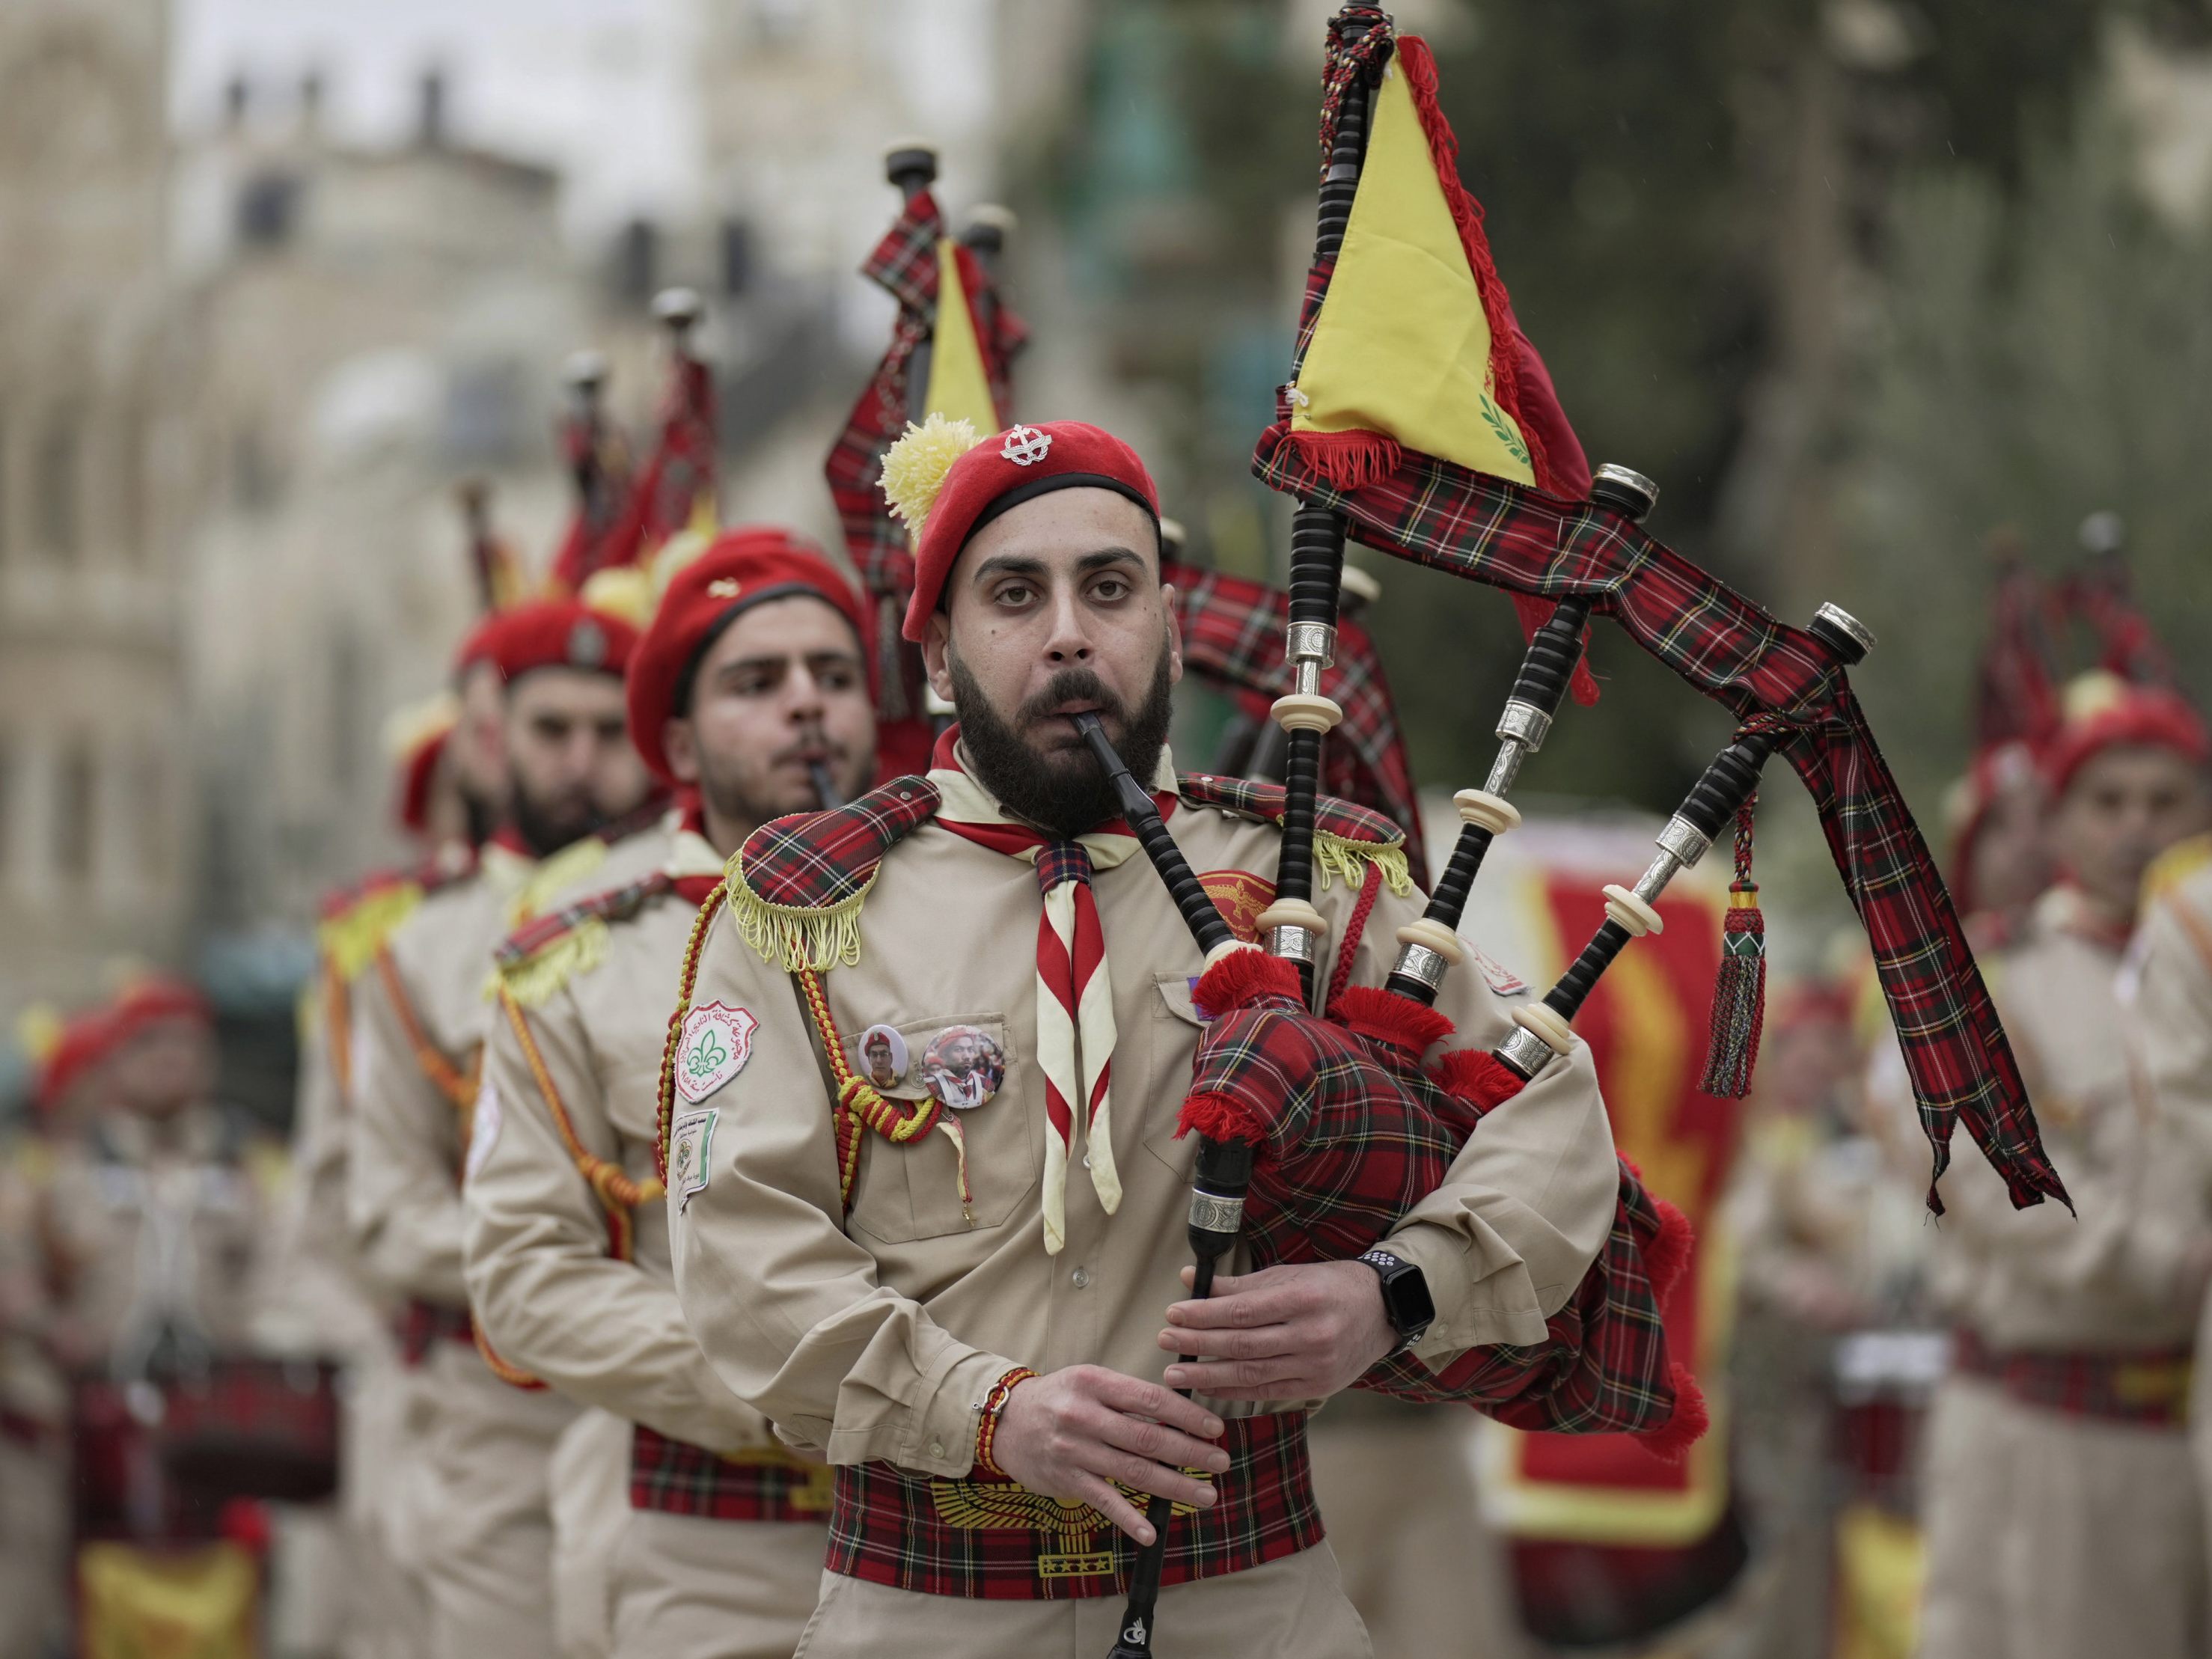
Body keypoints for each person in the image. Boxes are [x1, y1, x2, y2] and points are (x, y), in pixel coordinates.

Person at [665, 418, 1622, 1655]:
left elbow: (1550, 1102)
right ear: (940, 658)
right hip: (924, 1605)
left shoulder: (1308, 879)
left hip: (1253, 1594)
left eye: (1108, 587)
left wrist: (1392, 1291)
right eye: (1015, 593)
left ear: (1166, 624)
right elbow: (738, 1251)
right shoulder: (808, 908)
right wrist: (988, 1411)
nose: (1069, 630)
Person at [465, 529, 879, 1659]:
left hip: (961, 1542)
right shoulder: (579, 956)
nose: (808, 706)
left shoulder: (962, 902)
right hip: (712, 1538)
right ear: (682, 742)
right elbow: (524, 1272)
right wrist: (802, 1390)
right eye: (759, 681)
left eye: (834, 677)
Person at [346, 596, 653, 1659]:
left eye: (610, 731)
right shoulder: (414, 948)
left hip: (680, 1399)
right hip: (500, 1398)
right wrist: (559, 1279)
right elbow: (385, 1209)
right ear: (495, 740)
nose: (581, 761)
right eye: (551, 730)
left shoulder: (711, 907)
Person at [1895, 670, 2212, 1659]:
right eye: (2108, 802)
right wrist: (2169, 1260)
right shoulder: (1989, 981)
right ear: (2063, 821)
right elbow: (1997, 1188)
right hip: (2054, 1422)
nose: (2138, 829)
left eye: (2166, 802)